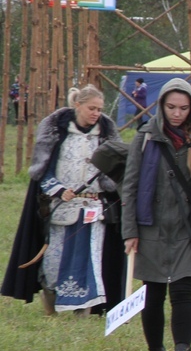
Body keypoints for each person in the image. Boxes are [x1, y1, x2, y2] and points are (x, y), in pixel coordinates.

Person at [120, 79, 191, 351]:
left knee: (182, 291)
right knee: (153, 295)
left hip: (187, 229)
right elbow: (130, 186)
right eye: (171, 107)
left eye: (184, 108)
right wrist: (130, 232)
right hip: (150, 227)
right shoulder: (146, 137)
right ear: (161, 105)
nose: (177, 113)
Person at [3, 86, 126, 315]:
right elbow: (42, 172)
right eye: (91, 108)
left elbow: (115, 174)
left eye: (99, 109)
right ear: (77, 105)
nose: (96, 113)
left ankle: (84, 313)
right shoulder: (58, 132)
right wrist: (60, 190)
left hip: (94, 209)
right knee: (52, 265)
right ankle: (52, 308)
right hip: (60, 210)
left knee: (91, 263)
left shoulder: (105, 134)